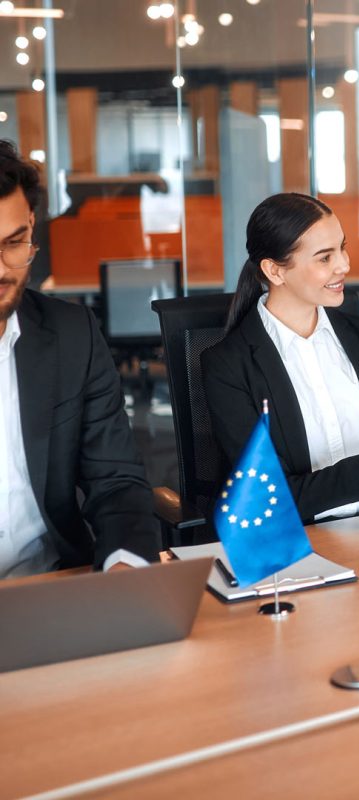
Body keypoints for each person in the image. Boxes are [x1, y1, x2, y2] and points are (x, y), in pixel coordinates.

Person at [202, 193, 359, 524]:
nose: (344, 265)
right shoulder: (229, 364)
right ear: (275, 271)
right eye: (324, 258)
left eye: (342, 248)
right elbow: (269, 497)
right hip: (294, 548)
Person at [0, 140, 160, 577]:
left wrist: (123, 565)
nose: (1, 269)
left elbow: (116, 482)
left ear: (32, 225)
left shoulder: (72, 335)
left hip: (53, 587)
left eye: (14, 243)